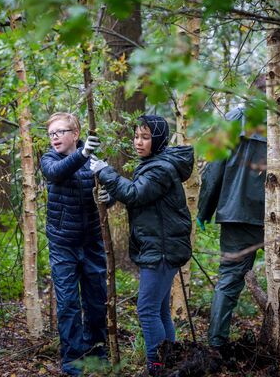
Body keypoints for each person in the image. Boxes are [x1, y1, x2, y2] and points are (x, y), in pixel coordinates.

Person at [89, 115, 193, 376]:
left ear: (157, 140)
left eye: (145, 137)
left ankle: (155, 367)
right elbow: (141, 196)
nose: (138, 142)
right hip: (159, 246)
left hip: (162, 249)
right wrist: (113, 195)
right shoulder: (155, 163)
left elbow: (136, 193)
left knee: (147, 310)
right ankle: (170, 364)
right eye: (136, 136)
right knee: (159, 310)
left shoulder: (160, 168)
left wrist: (105, 172)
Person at [197, 106, 280, 349]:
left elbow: (214, 168)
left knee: (228, 279)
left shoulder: (234, 118)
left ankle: (216, 345)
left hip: (237, 214)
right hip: (277, 215)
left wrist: (205, 208)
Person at [40, 112, 110, 376]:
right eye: (51, 134)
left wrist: (107, 196)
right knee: (68, 302)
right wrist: (82, 156)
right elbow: (56, 174)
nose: (55, 138)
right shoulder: (49, 159)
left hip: (92, 242)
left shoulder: (93, 161)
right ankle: (73, 360)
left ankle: (98, 353)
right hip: (63, 244)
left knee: (96, 300)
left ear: (75, 134)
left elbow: (108, 192)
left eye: (60, 132)